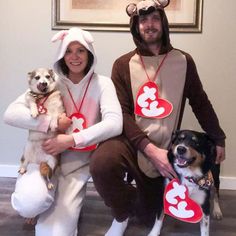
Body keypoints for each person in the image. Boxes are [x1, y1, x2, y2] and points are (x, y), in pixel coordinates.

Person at [89, 0, 226, 235]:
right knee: (102, 163)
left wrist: (218, 138)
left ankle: (141, 201)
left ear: (163, 23)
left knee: (147, 214)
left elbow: (200, 102)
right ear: (136, 26)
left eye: (154, 19)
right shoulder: (122, 64)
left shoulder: (184, 61)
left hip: (168, 147)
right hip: (132, 142)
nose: (149, 25)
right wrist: (148, 149)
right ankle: (121, 215)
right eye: (143, 20)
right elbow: (122, 112)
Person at [3, 27, 122, 236]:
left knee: (53, 234)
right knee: (27, 204)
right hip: (44, 157)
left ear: (90, 54)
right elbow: (10, 114)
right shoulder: (50, 81)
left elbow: (115, 123)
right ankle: (38, 204)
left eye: (81, 51)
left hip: (76, 167)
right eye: (68, 51)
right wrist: (50, 123)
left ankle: (62, 208)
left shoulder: (103, 84)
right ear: (61, 55)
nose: (74, 57)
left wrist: (71, 140)